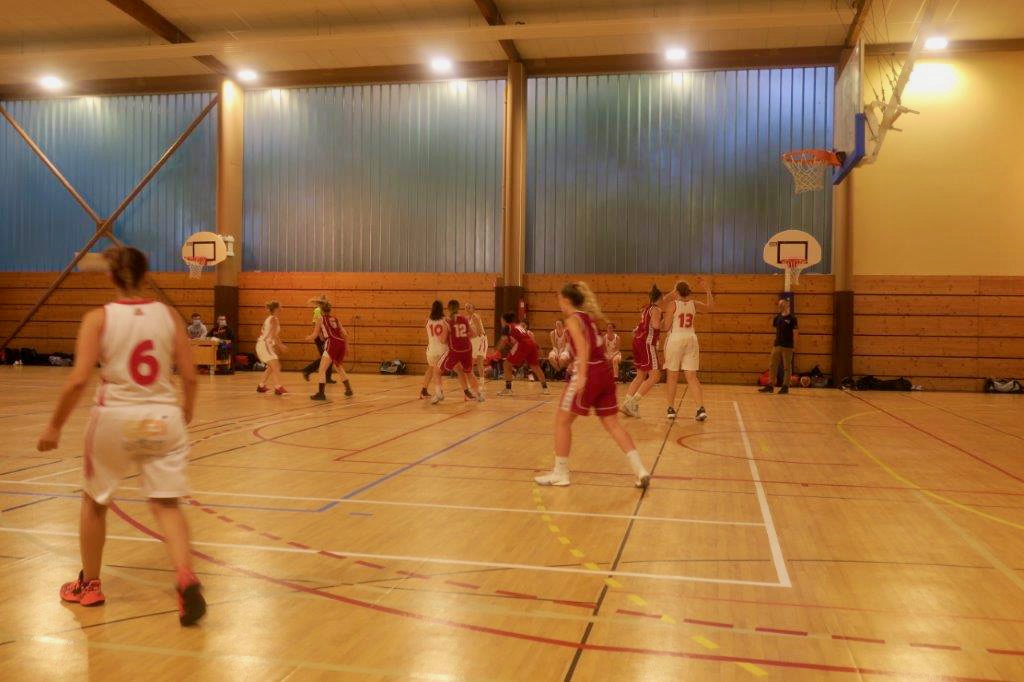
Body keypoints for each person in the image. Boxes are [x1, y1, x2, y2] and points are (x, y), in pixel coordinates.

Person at [37, 245, 206, 625]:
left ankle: (89, 584)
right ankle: (185, 575)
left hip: (115, 417)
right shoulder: (169, 316)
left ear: (111, 277)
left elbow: (78, 380)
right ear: (146, 276)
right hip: (162, 418)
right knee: (167, 504)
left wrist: (54, 425)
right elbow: (191, 375)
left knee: (95, 501)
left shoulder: (98, 318)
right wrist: (188, 410)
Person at [534, 282, 650, 489]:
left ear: (566, 300)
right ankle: (641, 470)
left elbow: (583, 346)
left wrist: (581, 375)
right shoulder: (588, 318)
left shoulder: (572, 319)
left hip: (589, 373)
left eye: (559, 298)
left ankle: (561, 473)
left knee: (562, 421)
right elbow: (590, 347)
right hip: (604, 373)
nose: (558, 302)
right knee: (613, 424)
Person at [662, 278, 712, 421]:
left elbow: (666, 326)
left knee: (672, 376)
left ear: (677, 292)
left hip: (676, 339)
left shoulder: (672, 304)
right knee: (691, 376)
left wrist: (671, 293)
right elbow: (709, 308)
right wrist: (708, 290)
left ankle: (671, 409)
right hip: (691, 338)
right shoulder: (694, 304)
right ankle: (700, 408)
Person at [621, 285, 663, 418]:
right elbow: (656, 325)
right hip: (647, 343)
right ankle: (632, 403)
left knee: (640, 375)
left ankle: (627, 403)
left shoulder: (646, 308)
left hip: (638, 342)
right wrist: (667, 321)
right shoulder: (656, 309)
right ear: (660, 298)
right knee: (655, 376)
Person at [433, 300, 484, 404]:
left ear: (448, 308)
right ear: (458, 308)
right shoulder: (464, 319)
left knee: (437, 370)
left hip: (455, 350)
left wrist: (448, 338)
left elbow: (444, 339)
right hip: (467, 349)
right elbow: (473, 334)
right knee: (469, 372)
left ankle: (438, 394)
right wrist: (463, 337)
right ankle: (479, 394)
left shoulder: (447, 321)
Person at [307, 302, 354, 400]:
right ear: (329, 310)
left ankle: (321, 394)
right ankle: (348, 389)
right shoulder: (335, 319)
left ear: (321, 310)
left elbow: (315, 335)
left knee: (322, 369)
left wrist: (308, 337)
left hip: (332, 343)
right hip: (341, 343)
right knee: (338, 366)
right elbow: (345, 333)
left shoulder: (320, 319)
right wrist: (347, 347)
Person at [497, 312, 550, 396]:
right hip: (531, 344)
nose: (501, 321)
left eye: (501, 319)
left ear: (504, 320)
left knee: (506, 364)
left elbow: (503, 341)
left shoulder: (506, 327)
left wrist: (496, 351)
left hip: (523, 344)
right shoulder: (518, 325)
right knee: (535, 367)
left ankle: (508, 389)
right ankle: (545, 388)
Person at [760, 297, 799, 394]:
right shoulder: (777, 318)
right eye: (779, 304)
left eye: (782, 304)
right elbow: (776, 331)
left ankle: (785, 386)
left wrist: (794, 345)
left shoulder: (792, 318)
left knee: (787, 367)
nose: (780, 306)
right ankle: (770, 385)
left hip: (788, 346)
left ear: (787, 304)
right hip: (777, 344)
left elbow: (795, 332)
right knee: (772, 365)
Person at [256, 301, 288, 395]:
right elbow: (274, 335)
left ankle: (261, 386)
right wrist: (281, 346)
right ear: (276, 309)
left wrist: (276, 345)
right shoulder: (273, 319)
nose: (282, 308)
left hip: (265, 344)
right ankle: (278, 387)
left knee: (271, 367)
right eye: (280, 307)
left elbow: (274, 335)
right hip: (264, 344)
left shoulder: (271, 318)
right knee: (276, 366)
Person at [302, 296, 335, 384]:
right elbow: (316, 323)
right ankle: (307, 370)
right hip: (320, 337)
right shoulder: (317, 310)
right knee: (326, 357)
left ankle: (327, 377)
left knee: (329, 357)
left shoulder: (324, 311)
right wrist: (320, 336)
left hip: (326, 336)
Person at [421, 300, 449, 399]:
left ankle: (424, 390)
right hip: (442, 350)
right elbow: (445, 337)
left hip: (431, 350)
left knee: (431, 369)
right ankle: (439, 391)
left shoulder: (428, 320)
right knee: (438, 372)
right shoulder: (445, 320)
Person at [466, 302, 488, 389]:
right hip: (474, 340)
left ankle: (482, 382)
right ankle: (472, 381)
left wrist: (470, 335)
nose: (467, 309)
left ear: (473, 309)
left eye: (469, 307)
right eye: (466, 307)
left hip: (480, 339)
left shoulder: (475, 316)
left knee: (479, 361)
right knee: (471, 362)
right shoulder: (468, 318)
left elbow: (479, 332)